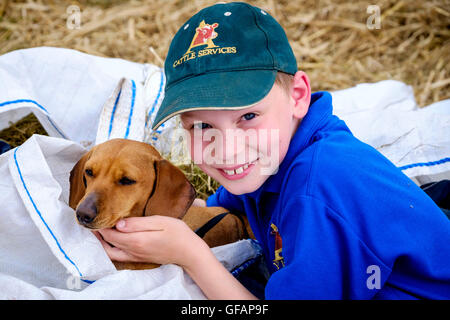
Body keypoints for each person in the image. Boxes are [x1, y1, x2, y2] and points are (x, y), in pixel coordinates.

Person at [96, 2, 450, 299]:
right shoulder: (267, 164)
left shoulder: (317, 189)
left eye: (248, 115)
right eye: (202, 126)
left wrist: (191, 256)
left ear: (297, 96)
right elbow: (219, 206)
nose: (227, 150)